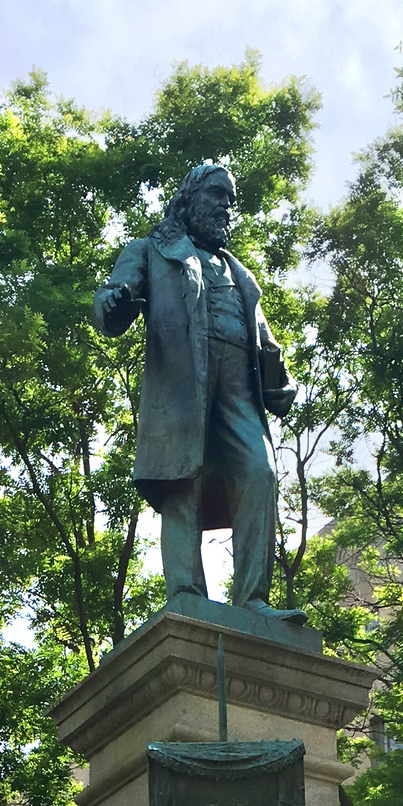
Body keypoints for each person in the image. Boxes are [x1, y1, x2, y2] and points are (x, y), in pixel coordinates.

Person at [92, 162, 302, 622]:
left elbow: (264, 341)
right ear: (189, 199)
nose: (226, 207)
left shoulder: (239, 273)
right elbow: (111, 302)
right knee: (183, 482)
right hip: (183, 385)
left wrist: (279, 379)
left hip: (239, 388)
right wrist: (112, 302)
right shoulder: (152, 250)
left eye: (230, 200)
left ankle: (253, 600)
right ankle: (187, 595)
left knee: (260, 472)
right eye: (216, 195)